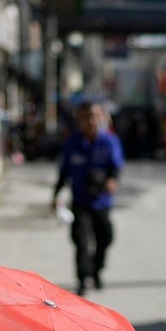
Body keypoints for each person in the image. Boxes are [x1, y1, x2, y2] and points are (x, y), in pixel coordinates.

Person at [52, 101, 124, 294]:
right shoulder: (72, 143)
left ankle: (97, 270)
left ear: (100, 117)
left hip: (101, 201)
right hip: (80, 201)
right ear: (80, 119)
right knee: (81, 242)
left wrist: (111, 181)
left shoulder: (109, 141)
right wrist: (56, 195)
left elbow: (116, 167)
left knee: (105, 238)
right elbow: (63, 173)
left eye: (95, 116)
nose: (91, 120)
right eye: (86, 116)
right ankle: (83, 279)